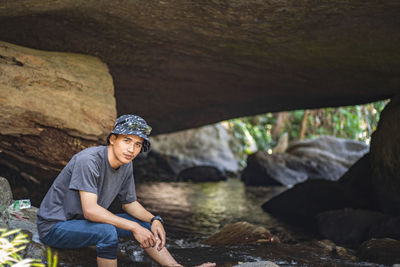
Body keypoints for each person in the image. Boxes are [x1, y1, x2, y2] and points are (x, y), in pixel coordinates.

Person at [37, 114, 215, 267]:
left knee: (146, 226)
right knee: (107, 232)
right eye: (127, 140)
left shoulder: (126, 164)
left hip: (82, 223)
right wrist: (133, 227)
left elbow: (129, 203)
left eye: (138, 144)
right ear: (112, 139)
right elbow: (90, 211)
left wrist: (154, 219)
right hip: (55, 227)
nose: (131, 149)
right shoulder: (89, 160)